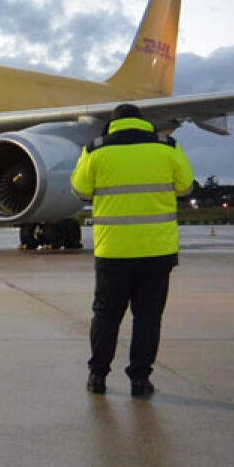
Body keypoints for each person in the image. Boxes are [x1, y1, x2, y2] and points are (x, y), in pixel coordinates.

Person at [70, 103, 193, 397]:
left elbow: (79, 190)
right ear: (143, 122)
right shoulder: (167, 147)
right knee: (147, 318)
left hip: (113, 252)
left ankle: (97, 375)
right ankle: (140, 379)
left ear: (112, 123)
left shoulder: (95, 149)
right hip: (156, 252)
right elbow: (186, 187)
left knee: (106, 316)